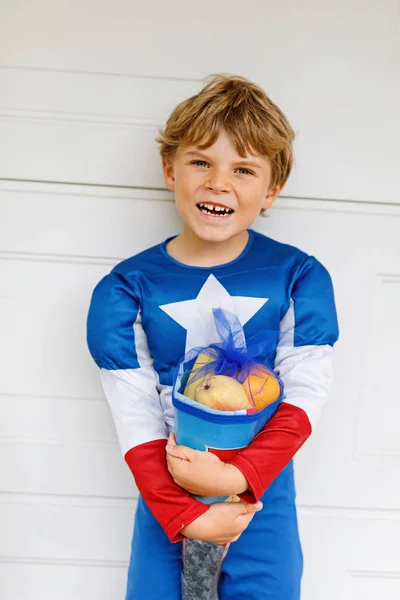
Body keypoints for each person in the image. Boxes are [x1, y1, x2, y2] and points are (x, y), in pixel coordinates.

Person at [86, 74, 339, 600]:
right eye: (201, 162)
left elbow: (307, 393)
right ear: (169, 170)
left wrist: (239, 478)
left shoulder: (298, 277)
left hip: (260, 490)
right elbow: (134, 414)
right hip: (166, 485)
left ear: (272, 189)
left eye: (242, 169)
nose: (218, 182)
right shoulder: (126, 288)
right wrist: (182, 512)